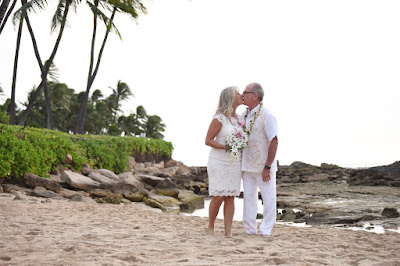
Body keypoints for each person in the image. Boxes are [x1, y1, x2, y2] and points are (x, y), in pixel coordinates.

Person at [240, 82, 278, 236]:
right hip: (247, 165)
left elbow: (274, 140)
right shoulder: (243, 115)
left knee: (268, 198)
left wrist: (267, 166)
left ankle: (266, 229)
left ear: (255, 96)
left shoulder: (267, 115)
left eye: (245, 92)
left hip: (264, 167)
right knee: (248, 198)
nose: (242, 95)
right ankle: (250, 228)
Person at [205, 86, 244, 237]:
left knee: (230, 197)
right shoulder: (219, 118)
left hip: (234, 162)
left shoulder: (239, 118)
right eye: (238, 93)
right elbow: (208, 141)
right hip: (219, 161)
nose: (241, 95)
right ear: (230, 98)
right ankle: (210, 226)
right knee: (218, 196)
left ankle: (228, 232)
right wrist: (225, 147)